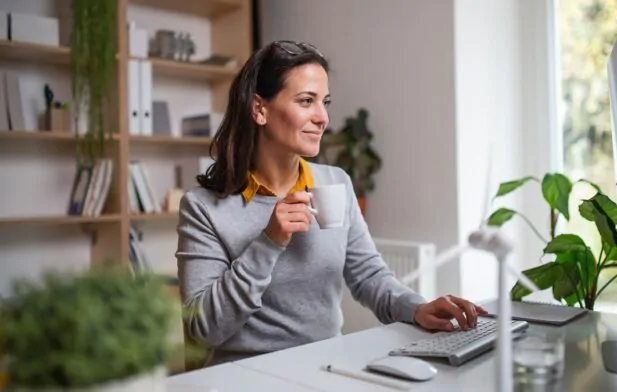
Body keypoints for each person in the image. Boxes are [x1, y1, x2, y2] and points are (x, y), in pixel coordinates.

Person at [176, 40, 488, 366]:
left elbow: (369, 276)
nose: (322, 118)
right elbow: (204, 329)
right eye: (306, 101)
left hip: (326, 368)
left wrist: (417, 308)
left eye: (324, 102)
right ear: (259, 109)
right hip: (247, 375)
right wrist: (267, 244)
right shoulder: (202, 207)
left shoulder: (335, 182)